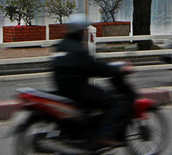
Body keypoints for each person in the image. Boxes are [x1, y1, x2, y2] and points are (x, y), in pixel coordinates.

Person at [51, 14, 133, 148]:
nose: (84, 33)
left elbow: (88, 66)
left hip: (64, 88)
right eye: (83, 31)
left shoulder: (62, 45)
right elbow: (95, 67)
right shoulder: (78, 50)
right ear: (80, 32)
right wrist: (117, 70)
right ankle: (103, 135)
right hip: (78, 89)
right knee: (113, 103)